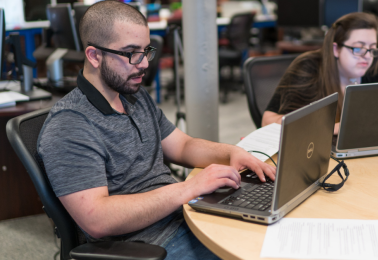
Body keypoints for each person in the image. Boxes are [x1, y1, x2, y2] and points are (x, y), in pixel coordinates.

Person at [37, 1, 276, 259]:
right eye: (131, 53)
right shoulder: (69, 125)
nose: (143, 64)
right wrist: (188, 188)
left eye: (145, 51)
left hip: (185, 216)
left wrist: (231, 152)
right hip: (148, 246)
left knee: (272, 233)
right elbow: (97, 218)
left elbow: (182, 146)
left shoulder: (132, 94)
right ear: (94, 56)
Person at [262, 12, 378, 133]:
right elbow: (267, 121)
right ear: (336, 49)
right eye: (358, 48)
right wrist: (335, 128)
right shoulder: (308, 68)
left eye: (372, 48)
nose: (367, 55)